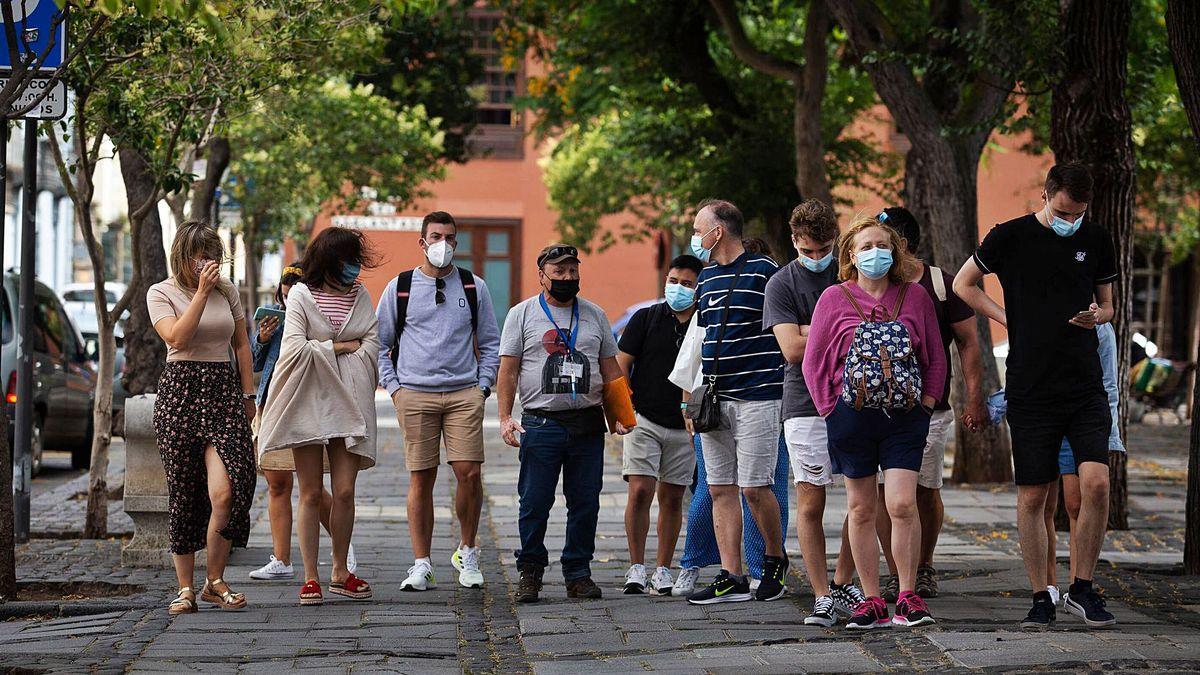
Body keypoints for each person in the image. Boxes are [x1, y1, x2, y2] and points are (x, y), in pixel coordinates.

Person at [954, 163, 1118, 629]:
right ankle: (1041, 596)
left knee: (1097, 485)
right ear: (1045, 195)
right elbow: (963, 285)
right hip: (1031, 385)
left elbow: (1108, 305)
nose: (1073, 220)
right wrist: (1006, 318)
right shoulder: (1009, 236)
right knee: (1032, 498)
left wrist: (1098, 317)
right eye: (1065, 211)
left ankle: (1082, 588)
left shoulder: (1098, 238)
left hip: (1084, 384)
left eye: (1080, 213)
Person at [804, 214, 946, 629]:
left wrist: (927, 404)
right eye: (865, 247)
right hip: (852, 419)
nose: (875, 253)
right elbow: (813, 362)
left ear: (896, 251)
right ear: (850, 254)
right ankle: (870, 600)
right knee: (862, 508)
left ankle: (907, 593)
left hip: (905, 419)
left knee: (902, 503)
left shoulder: (915, 297)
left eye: (882, 245)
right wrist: (831, 410)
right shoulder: (833, 298)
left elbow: (935, 356)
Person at [498, 244, 631, 603]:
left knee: (586, 501)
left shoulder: (595, 315)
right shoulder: (522, 315)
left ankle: (578, 572)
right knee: (534, 502)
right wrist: (505, 417)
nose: (568, 278)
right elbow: (508, 371)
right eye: (559, 272)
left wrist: (620, 414)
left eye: (573, 271)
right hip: (541, 423)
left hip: (587, 422)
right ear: (541, 275)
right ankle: (531, 571)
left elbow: (610, 368)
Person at [376, 211, 501, 591]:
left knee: (470, 473)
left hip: (464, 393)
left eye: (448, 237)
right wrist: (395, 389)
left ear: (455, 243)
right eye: (435, 236)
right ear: (422, 241)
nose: (441, 244)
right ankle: (421, 562)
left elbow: (490, 343)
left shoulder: (472, 286)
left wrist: (482, 387)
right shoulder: (400, 287)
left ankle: (467, 550)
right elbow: (381, 345)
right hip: (414, 392)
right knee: (421, 478)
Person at [258, 227, 380, 606]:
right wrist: (341, 346)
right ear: (329, 260)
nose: (354, 267)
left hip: (351, 404)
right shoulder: (301, 296)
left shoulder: (361, 296)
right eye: (347, 259)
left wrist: (323, 349)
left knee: (344, 490)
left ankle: (341, 571)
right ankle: (310, 576)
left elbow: (372, 346)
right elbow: (291, 350)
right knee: (310, 491)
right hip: (307, 402)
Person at [872, 207, 987, 602]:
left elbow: (969, 344)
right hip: (877, 408)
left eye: (881, 242)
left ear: (900, 244)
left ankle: (923, 566)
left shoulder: (941, 284)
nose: (874, 250)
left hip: (929, 410)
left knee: (924, 490)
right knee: (884, 493)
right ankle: (894, 570)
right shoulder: (870, 283)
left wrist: (973, 397)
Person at [147, 220, 257, 615]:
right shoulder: (161, 292)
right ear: (183, 255)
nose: (207, 262)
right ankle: (186, 587)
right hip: (181, 393)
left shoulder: (228, 291)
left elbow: (242, 345)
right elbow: (176, 337)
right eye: (200, 255)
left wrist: (248, 394)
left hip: (223, 391)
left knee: (230, 489)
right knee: (184, 492)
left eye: (213, 254)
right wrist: (202, 292)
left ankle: (215, 579)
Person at [763, 199, 865, 626]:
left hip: (858, 396)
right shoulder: (782, 283)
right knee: (812, 498)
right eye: (808, 251)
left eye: (824, 249)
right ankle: (822, 594)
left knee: (863, 497)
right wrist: (841, 329)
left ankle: (843, 580)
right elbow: (791, 349)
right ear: (793, 242)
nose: (817, 258)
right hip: (803, 401)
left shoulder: (851, 272)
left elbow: (873, 328)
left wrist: (813, 332)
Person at [683, 199, 789, 605]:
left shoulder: (767, 272)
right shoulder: (706, 278)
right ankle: (732, 575)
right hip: (714, 399)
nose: (695, 236)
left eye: (698, 228)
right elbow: (703, 340)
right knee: (719, 487)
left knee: (754, 488)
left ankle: (774, 559)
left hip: (759, 397)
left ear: (719, 230)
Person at [248, 266, 357, 581]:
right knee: (277, 483)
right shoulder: (275, 318)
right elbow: (255, 362)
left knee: (312, 487)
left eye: (297, 284)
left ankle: (342, 543)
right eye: (286, 284)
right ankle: (281, 558)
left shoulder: (315, 315)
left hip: (308, 405)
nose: (290, 289)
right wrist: (262, 337)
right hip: (273, 402)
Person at [617, 255, 703, 595]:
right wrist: (624, 411)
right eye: (672, 281)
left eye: (686, 284)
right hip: (645, 418)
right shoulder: (645, 318)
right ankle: (636, 566)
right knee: (640, 489)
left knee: (672, 496)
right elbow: (622, 364)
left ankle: (663, 568)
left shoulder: (703, 323)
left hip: (686, 425)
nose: (678, 288)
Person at [1046, 322, 1125, 606]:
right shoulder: (1040, 311)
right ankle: (1047, 584)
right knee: (1042, 503)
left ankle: (1078, 585)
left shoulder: (1100, 327)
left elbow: (1109, 384)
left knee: (1076, 504)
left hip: (1081, 420)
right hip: (1043, 416)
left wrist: (1111, 435)